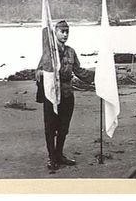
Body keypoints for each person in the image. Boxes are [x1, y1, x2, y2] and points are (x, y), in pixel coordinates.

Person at [36, 20, 95, 171]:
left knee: (63, 127)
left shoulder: (71, 52)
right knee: (50, 127)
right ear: (55, 33)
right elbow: (37, 72)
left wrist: (97, 76)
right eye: (62, 31)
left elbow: (79, 71)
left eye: (67, 32)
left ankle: (59, 154)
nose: (65, 34)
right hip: (52, 95)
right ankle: (51, 157)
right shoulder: (49, 52)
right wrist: (44, 74)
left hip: (67, 93)